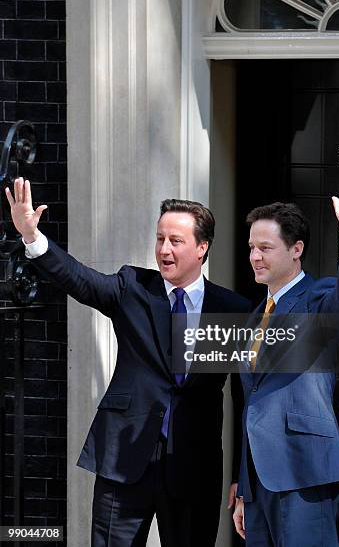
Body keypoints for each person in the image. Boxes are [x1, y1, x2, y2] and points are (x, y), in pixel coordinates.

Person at [6, 177, 250, 547]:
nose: (164, 249)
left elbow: (246, 397)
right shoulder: (132, 286)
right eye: (160, 238)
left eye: (176, 241)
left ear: (202, 248)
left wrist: (242, 476)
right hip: (124, 460)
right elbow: (79, 279)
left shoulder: (232, 310)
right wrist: (32, 238)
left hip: (193, 464)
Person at [233, 175, 339, 547]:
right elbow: (250, 404)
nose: (254, 256)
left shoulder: (318, 297)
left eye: (265, 247)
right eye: (251, 247)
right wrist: (242, 488)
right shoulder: (254, 317)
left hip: (304, 472)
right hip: (258, 483)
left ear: (296, 249)